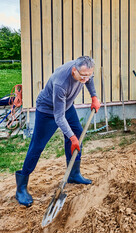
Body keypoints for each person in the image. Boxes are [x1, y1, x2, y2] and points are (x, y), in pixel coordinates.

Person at [15, 56, 101, 207]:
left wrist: (94, 96)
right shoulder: (61, 82)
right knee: (37, 146)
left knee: (77, 132)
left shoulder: (84, 71)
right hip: (48, 111)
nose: (86, 79)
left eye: (89, 75)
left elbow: (89, 79)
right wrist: (72, 139)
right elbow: (59, 117)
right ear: (74, 70)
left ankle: (73, 174)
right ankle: (21, 187)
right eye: (83, 76)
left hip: (66, 106)